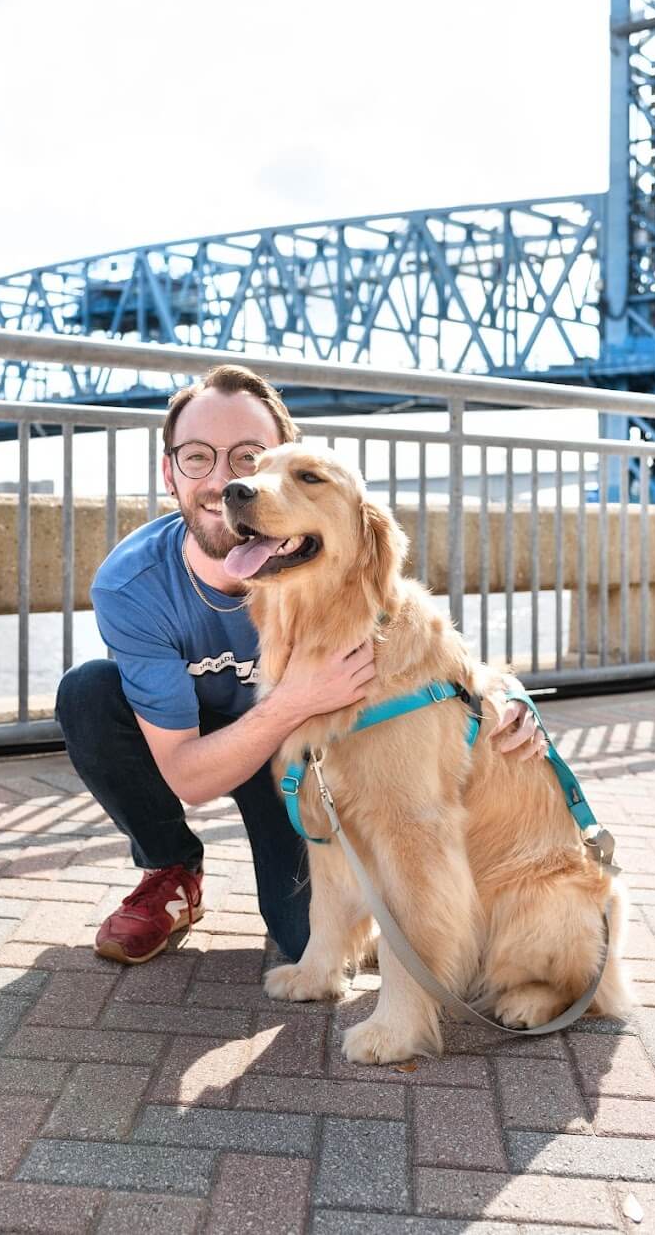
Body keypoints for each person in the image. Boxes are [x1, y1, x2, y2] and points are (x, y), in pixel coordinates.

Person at [55, 365, 545, 968]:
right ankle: (171, 870)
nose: (226, 482)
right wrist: (298, 698)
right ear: (169, 473)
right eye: (197, 458)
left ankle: (463, 928)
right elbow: (191, 778)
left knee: (308, 942)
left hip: (295, 765)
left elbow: (419, 641)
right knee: (87, 692)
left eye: (249, 457)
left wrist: (507, 694)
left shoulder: (334, 559)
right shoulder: (134, 585)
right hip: (215, 743)